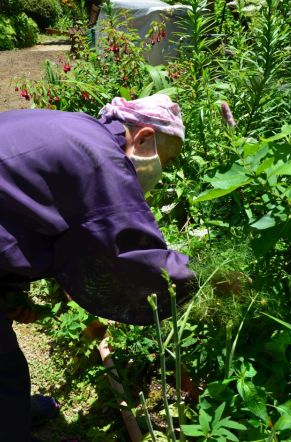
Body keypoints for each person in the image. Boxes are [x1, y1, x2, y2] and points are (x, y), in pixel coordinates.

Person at [0, 93, 195, 441]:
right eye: (166, 160)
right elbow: (128, 251)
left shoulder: (83, 130)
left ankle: (11, 413)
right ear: (145, 137)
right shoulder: (101, 158)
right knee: (4, 370)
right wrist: (200, 278)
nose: (162, 172)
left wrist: (10, 293)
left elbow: (22, 213)